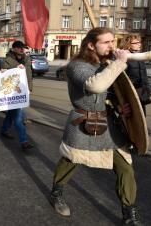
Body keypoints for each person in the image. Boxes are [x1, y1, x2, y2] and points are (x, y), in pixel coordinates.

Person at [48, 27, 143, 225]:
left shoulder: (107, 64)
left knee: (125, 168)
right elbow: (96, 86)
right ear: (91, 45)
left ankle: (129, 213)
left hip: (109, 124)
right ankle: (56, 192)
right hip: (83, 123)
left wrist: (120, 107)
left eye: (112, 41)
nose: (112, 46)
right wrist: (119, 63)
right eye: (106, 42)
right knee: (71, 160)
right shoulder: (77, 66)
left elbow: (109, 94)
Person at [0, 41, 34, 151]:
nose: (21, 49)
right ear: (14, 48)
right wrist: (15, 68)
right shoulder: (8, 60)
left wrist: (30, 87)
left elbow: (29, 73)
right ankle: (24, 141)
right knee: (18, 118)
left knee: (11, 113)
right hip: (13, 92)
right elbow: (5, 76)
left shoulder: (27, 59)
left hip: (23, 90)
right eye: (19, 48)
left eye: (23, 48)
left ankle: (4, 130)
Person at [120, 34, 151, 115]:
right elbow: (121, 80)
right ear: (128, 44)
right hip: (129, 97)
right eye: (136, 43)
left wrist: (148, 90)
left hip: (142, 95)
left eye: (139, 42)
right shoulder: (123, 57)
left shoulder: (140, 57)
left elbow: (144, 77)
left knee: (141, 118)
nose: (139, 44)